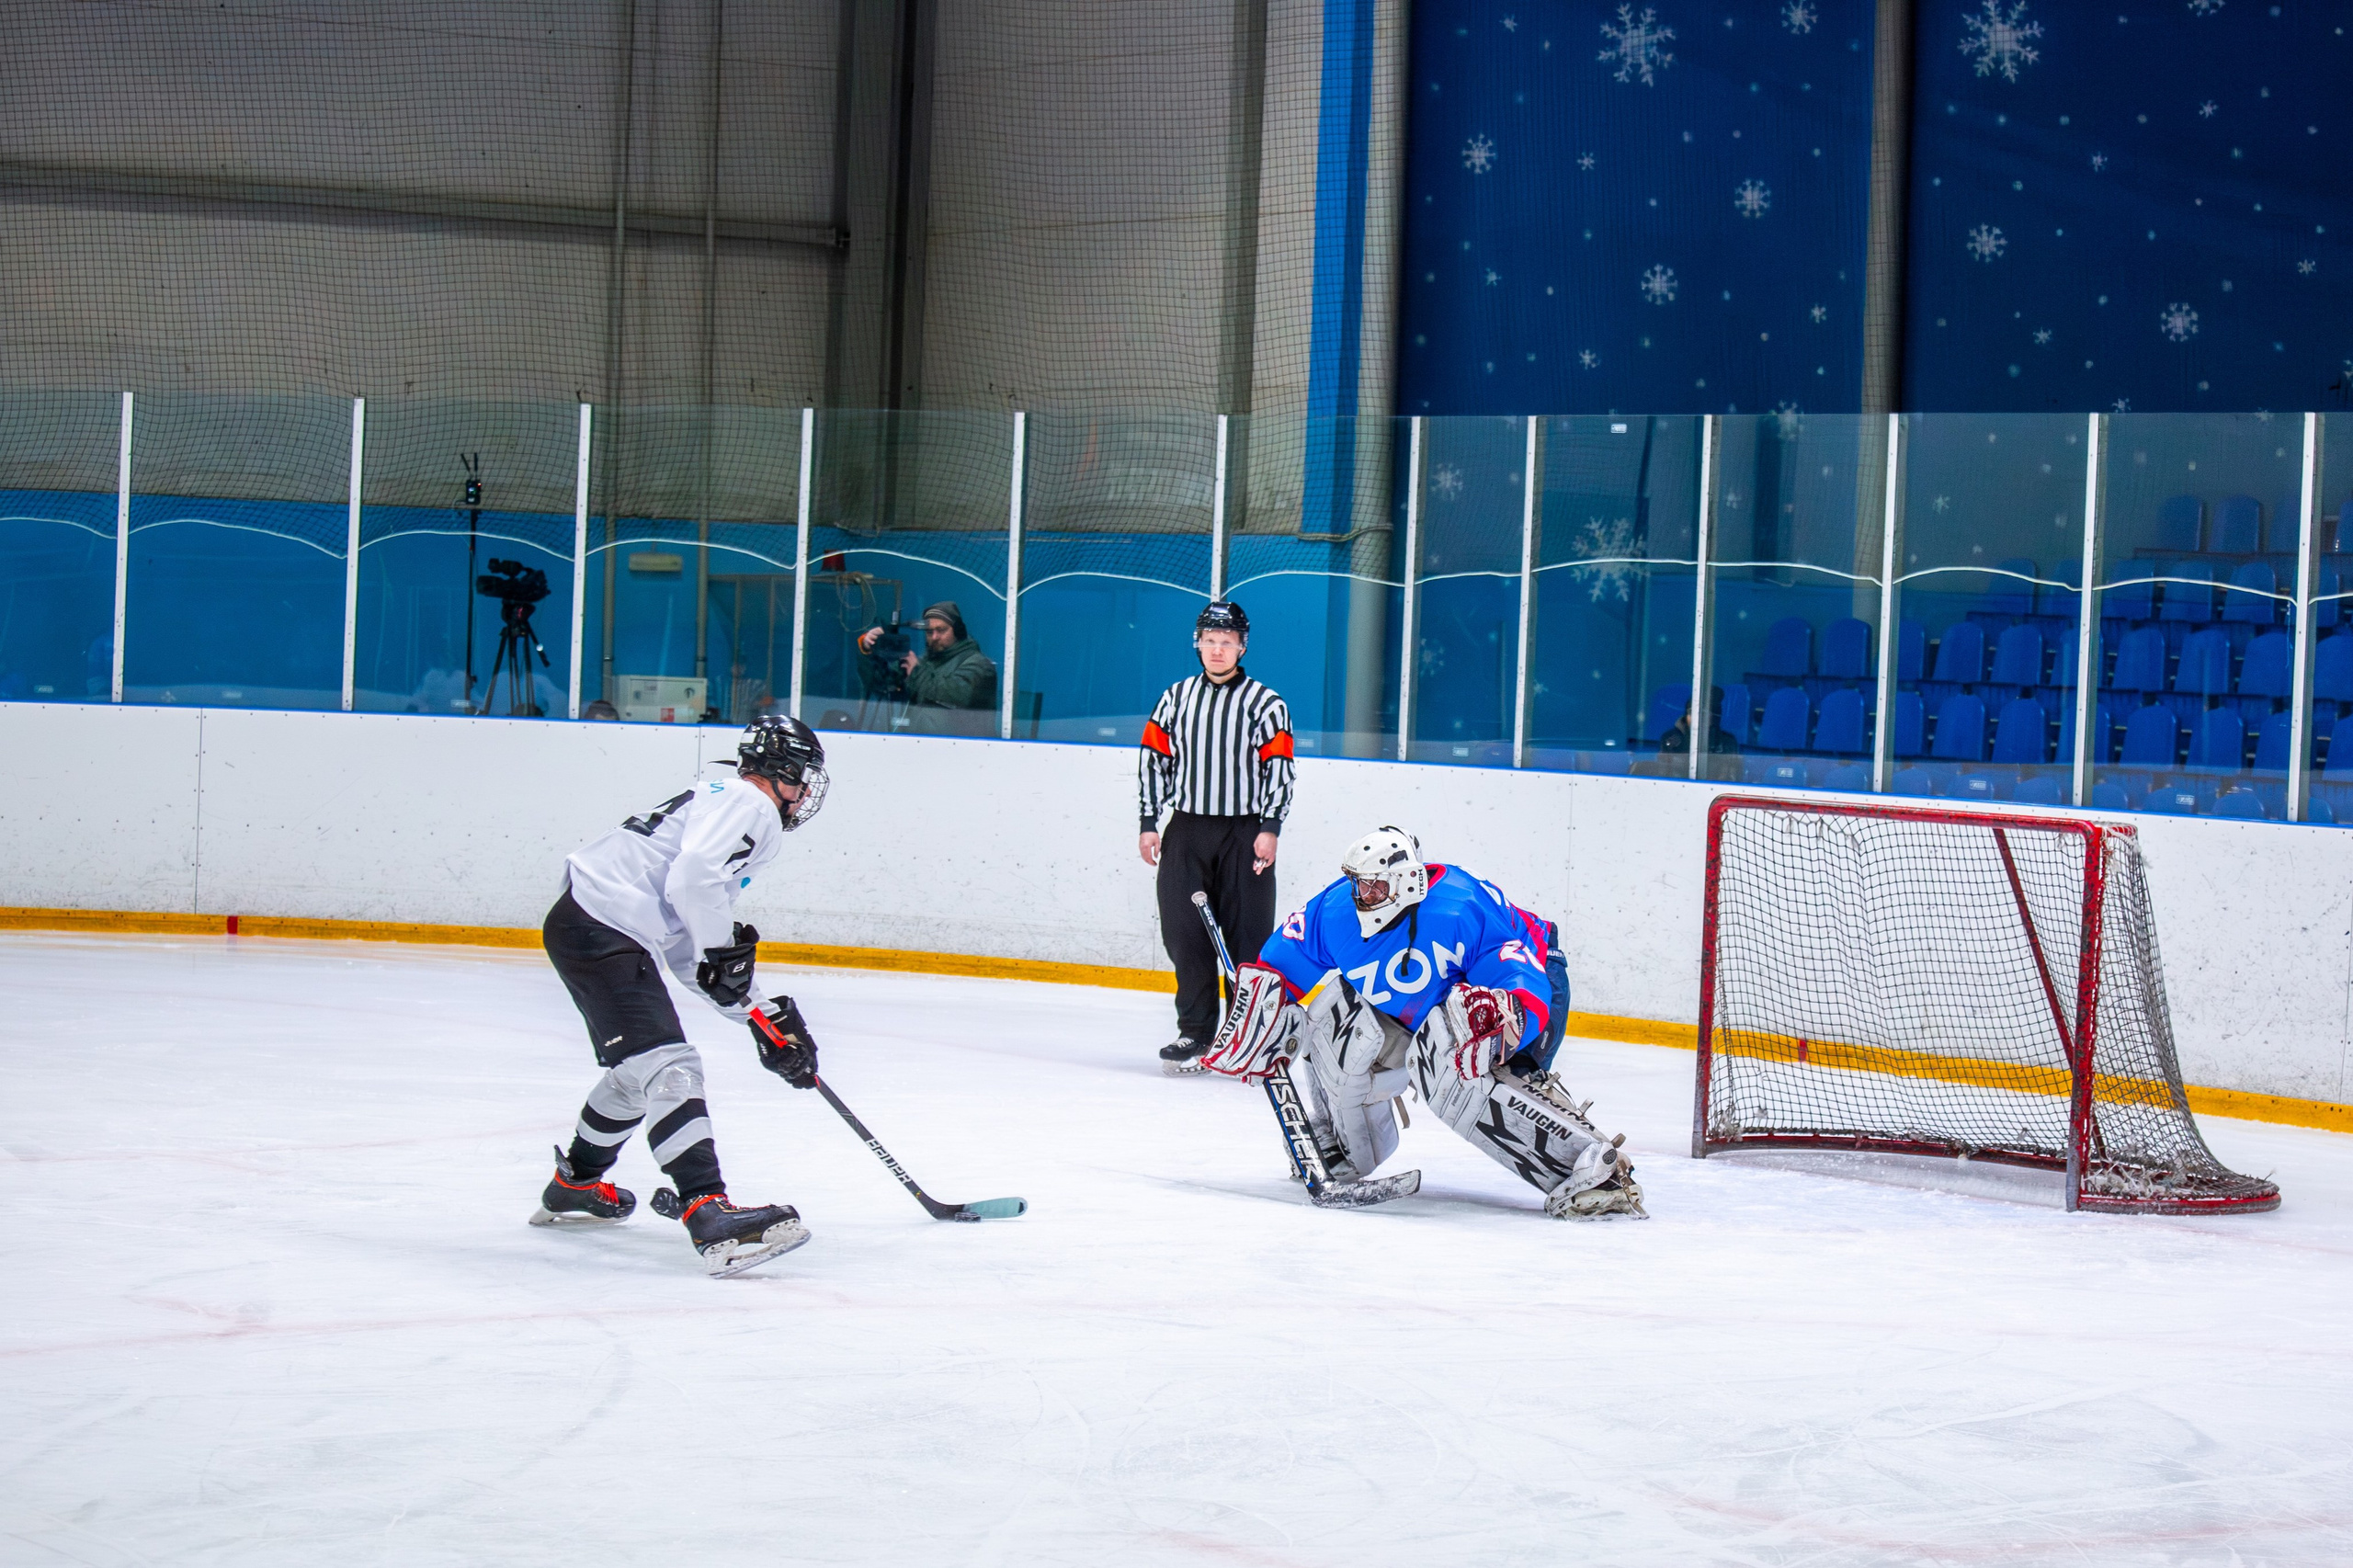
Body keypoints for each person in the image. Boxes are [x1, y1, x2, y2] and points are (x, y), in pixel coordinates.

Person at [1199, 825, 1646, 1220]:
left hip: (1530, 986)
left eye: (1373, 888)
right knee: (1337, 1015)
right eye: (1359, 885)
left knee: (1457, 1057)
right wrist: (1262, 1012)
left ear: (1407, 883)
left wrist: (1506, 1023)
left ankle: (1595, 1171)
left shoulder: (1459, 908)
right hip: (1418, 1009)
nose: (1361, 897)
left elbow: (1519, 978)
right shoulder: (1336, 910)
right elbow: (1284, 964)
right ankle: (1339, 1147)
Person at [529, 714, 839, 1277]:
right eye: (803, 778)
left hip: (591, 923)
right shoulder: (753, 804)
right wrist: (725, 958)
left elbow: (686, 941)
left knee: (637, 1070)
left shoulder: (719, 799)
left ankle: (573, 1183)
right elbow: (694, 885)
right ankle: (707, 1210)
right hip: (603, 928)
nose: (803, 794)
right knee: (672, 1067)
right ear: (785, 770)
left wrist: (761, 1017)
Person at [1138, 599, 1294, 1074]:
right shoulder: (1175, 698)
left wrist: (1270, 829)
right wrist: (1149, 821)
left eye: (1227, 642)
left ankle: (1245, 1035)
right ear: (1197, 644)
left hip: (1244, 832)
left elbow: (1279, 770)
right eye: (1209, 641)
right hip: (1186, 830)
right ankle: (1196, 1032)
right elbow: (1154, 760)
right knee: (1185, 934)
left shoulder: (1266, 704)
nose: (1217, 650)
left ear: (1242, 646)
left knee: (1247, 936)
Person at [857, 600, 998, 735]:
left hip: (962, 751)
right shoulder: (923, 663)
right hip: (918, 747)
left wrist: (916, 673)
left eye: (941, 630)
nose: (935, 637)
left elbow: (956, 694)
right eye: (929, 632)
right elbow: (878, 684)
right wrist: (869, 650)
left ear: (958, 631)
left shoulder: (979, 665)